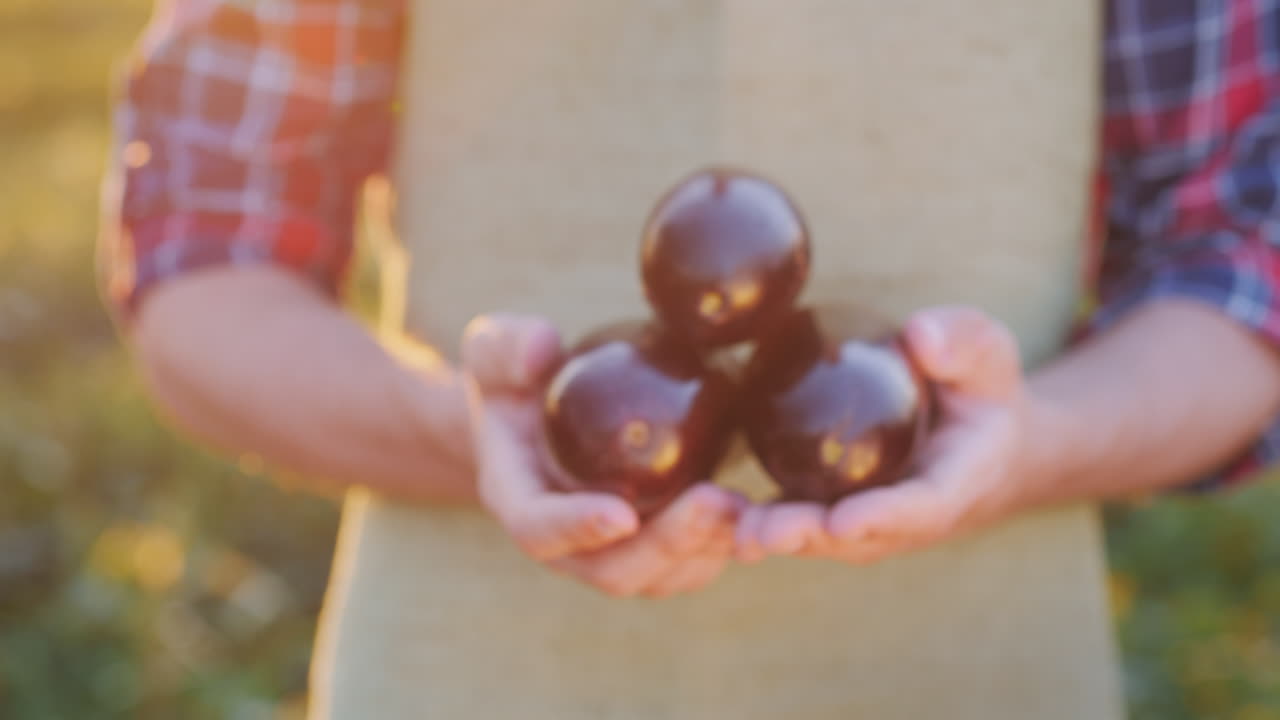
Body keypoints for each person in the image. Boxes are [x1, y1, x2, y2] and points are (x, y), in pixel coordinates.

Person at [101, 0, 1280, 713]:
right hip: (464, 677)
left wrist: (1040, 441)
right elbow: (205, 261)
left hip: (984, 679)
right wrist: (458, 431)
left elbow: (1240, 260)